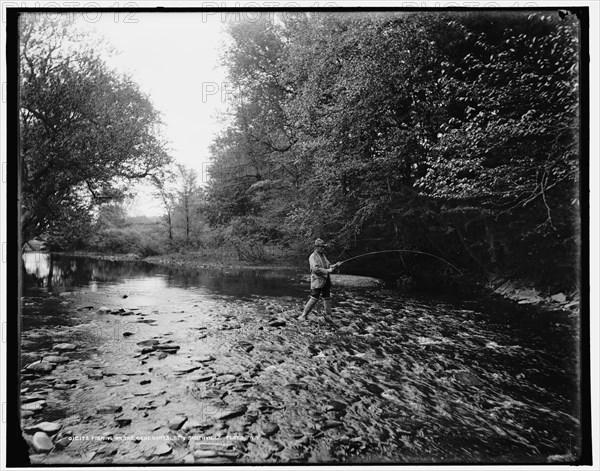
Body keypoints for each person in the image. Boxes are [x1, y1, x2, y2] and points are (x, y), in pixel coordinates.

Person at [298, 238, 341, 320]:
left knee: (327, 297)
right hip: (317, 280)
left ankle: (329, 316)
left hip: (326, 279)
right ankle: (303, 315)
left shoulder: (323, 255)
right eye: (321, 247)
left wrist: (335, 266)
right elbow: (315, 269)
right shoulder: (312, 257)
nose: (322, 248)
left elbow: (328, 265)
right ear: (316, 247)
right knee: (314, 297)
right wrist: (328, 270)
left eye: (323, 247)